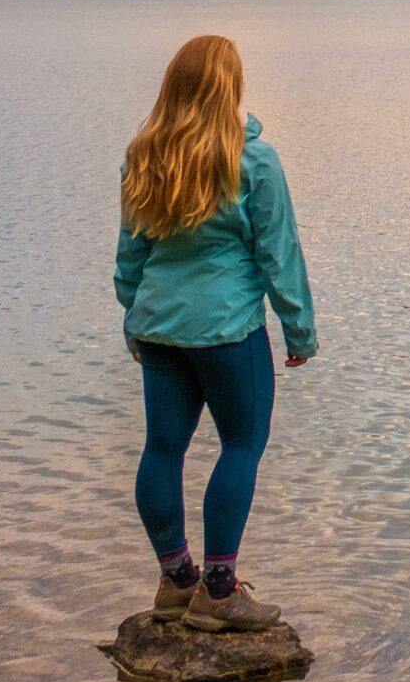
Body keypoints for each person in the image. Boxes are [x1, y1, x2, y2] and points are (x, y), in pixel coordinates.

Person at [114, 33, 317, 632]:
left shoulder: (144, 154)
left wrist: (135, 316)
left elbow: (131, 256)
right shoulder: (253, 160)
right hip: (228, 332)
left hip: (159, 330)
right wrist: (299, 332)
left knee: (162, 449)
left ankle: (177, 581)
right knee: (241, 446)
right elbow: (280, 253)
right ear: (230, 87)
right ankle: (220, 592)